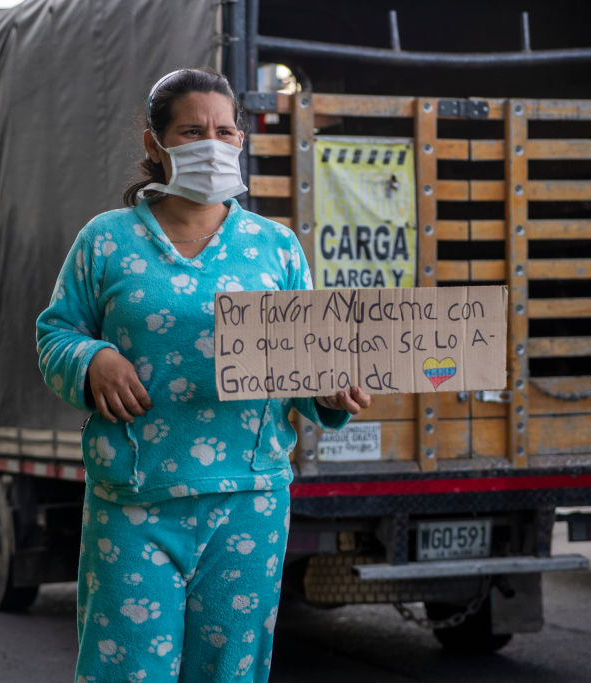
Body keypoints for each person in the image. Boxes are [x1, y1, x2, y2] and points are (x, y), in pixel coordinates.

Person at [37, 67, 371, 683]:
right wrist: (93, 359)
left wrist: (329, 390)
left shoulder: (275, 248)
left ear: (240, 142)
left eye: (224, 131)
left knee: (230, 673)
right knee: (125, 670)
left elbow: (301, 362)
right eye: (192, 131)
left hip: (249, 501)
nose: (212, 144)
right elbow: (55, 334)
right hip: (135, 501)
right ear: (154, 144)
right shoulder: (105, 241)